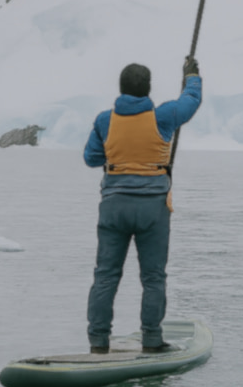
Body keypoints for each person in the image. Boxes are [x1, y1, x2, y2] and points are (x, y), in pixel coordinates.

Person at [82, 58, 202, 353]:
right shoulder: (164, 116)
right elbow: (192, 100)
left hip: (113, 206)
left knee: (106, 274)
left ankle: (98, 341)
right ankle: (152, 339)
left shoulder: (104, 120)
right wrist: (192, 76)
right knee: (153, 277)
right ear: (148, 88)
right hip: (153, 209)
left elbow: (91, 158)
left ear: (121, 88)